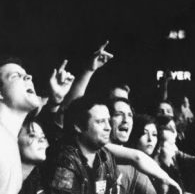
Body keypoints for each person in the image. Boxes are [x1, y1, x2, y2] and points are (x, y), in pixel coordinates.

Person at [0, 57, 73, 194]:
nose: (29, 77)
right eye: (15, 76)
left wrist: (56, 99)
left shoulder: (9, 141)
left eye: (26, 74)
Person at [40, 95, 120, 194]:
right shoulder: (64, 159)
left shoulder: (107, 157)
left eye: (108, 121)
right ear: (79, 126)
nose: (108, 127)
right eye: (100, 122)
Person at [110, 98, 157, 194]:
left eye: (130, 115)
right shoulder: (95, 153)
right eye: (118, 114)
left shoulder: (134, 168)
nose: (126, 120)